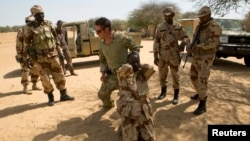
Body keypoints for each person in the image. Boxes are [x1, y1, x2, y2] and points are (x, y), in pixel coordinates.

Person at [24, 5, 75, 106]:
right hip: (40, 58)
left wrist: (60, 52)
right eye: (39, 14)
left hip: (53, 55)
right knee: (45, 79)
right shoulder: (29, 27)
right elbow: (27, 44)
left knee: (60, 75)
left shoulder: (49, 24)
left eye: (42, 13)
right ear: (34, 15)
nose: (42, 16)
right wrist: (31, 59)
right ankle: (50, 97)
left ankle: (63, 95)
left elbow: (56, 39)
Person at [94, 17, 140, 109]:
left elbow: (135, 48)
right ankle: (108, 105)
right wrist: (103, 74)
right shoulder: (101, 44)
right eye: (96, 31)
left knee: (130, 99)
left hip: (125, 75)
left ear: (106, 29)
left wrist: (132, 60)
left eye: (99, 31)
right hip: (113, 75)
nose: (97, 34)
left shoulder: (121, 38)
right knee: (102, 94)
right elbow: (102, 60)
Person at [188, 6, 222, 115]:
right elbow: (194, 39)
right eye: (200, 17)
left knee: (202, 79)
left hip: (206, 57)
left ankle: (203, 104)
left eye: (203, 17)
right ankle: (199, 93)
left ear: (208, 15)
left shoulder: (215, 26)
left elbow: (213, 42)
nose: (201, 19)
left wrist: (198, 46)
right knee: (193, 77)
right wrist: (191, 47)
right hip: (196, 56)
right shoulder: (199, 26)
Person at [116, 52, 156, 141]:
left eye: (137, 61)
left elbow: (150, 68)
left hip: (143, 112)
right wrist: (130, 66)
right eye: (132, 62)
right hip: (129, 113)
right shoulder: (122, 74)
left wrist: (139, 65)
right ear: (127, 62)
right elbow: (123, 70)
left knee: (151, 138)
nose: (135, 64)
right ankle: (123, 128)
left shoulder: (142, 74)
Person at [153, 7, 189, 104]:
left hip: (174, 56)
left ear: (173, 15)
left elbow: (185, 37)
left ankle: (176, 96)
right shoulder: (160, 27)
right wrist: (155, 55)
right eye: (165, 15)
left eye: (168, 15)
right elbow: (156, 41)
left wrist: (183, 43)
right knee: (162, 75)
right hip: (162, 56)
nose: (166, 17)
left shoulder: (178, 26)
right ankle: (163, 92)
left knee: (175, 76)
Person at [15, 15, 42, 94]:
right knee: (25, 70)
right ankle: (25, 87)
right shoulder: (21, 30)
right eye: (29, 22)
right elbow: (19, 44)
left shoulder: (35, 29)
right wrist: (19, 55)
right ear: (26, 22)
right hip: (24, 54)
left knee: (35, 68)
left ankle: (34, 84)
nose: (31, 24)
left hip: (34, 53)